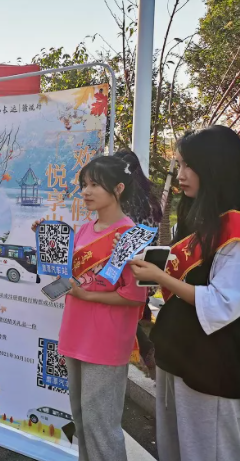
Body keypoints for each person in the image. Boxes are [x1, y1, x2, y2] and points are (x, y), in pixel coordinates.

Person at [127, 126, 240, 461]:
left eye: (188, 165)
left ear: (215, 166)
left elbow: (222, 303)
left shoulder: (234, 229)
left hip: (212, 364)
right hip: (175, 351)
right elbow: (179, 266)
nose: (180, 175)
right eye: (178, 165)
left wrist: (161, 277)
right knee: (173, 446)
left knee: (208, 450)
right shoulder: (195, 217)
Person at [33, 155, 147, 461]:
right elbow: (72, 276)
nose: (86, 191)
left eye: (95, 184)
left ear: (119, 188)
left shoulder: (131, 235)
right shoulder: (85, 229)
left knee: (101, 428)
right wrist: (50, 244)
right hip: (75, 334)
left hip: (106, 342)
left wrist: (88, 296)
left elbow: (135, 296)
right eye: (84, 184)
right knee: (82, 422)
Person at [114, 148, 162, 379]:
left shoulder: (124, 199)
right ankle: (145, 351)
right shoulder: (150, 196)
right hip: (149, 266)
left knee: (123, 313)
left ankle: (144, 350)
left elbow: (123, 239)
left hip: (128, 267)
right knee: (133, 313)